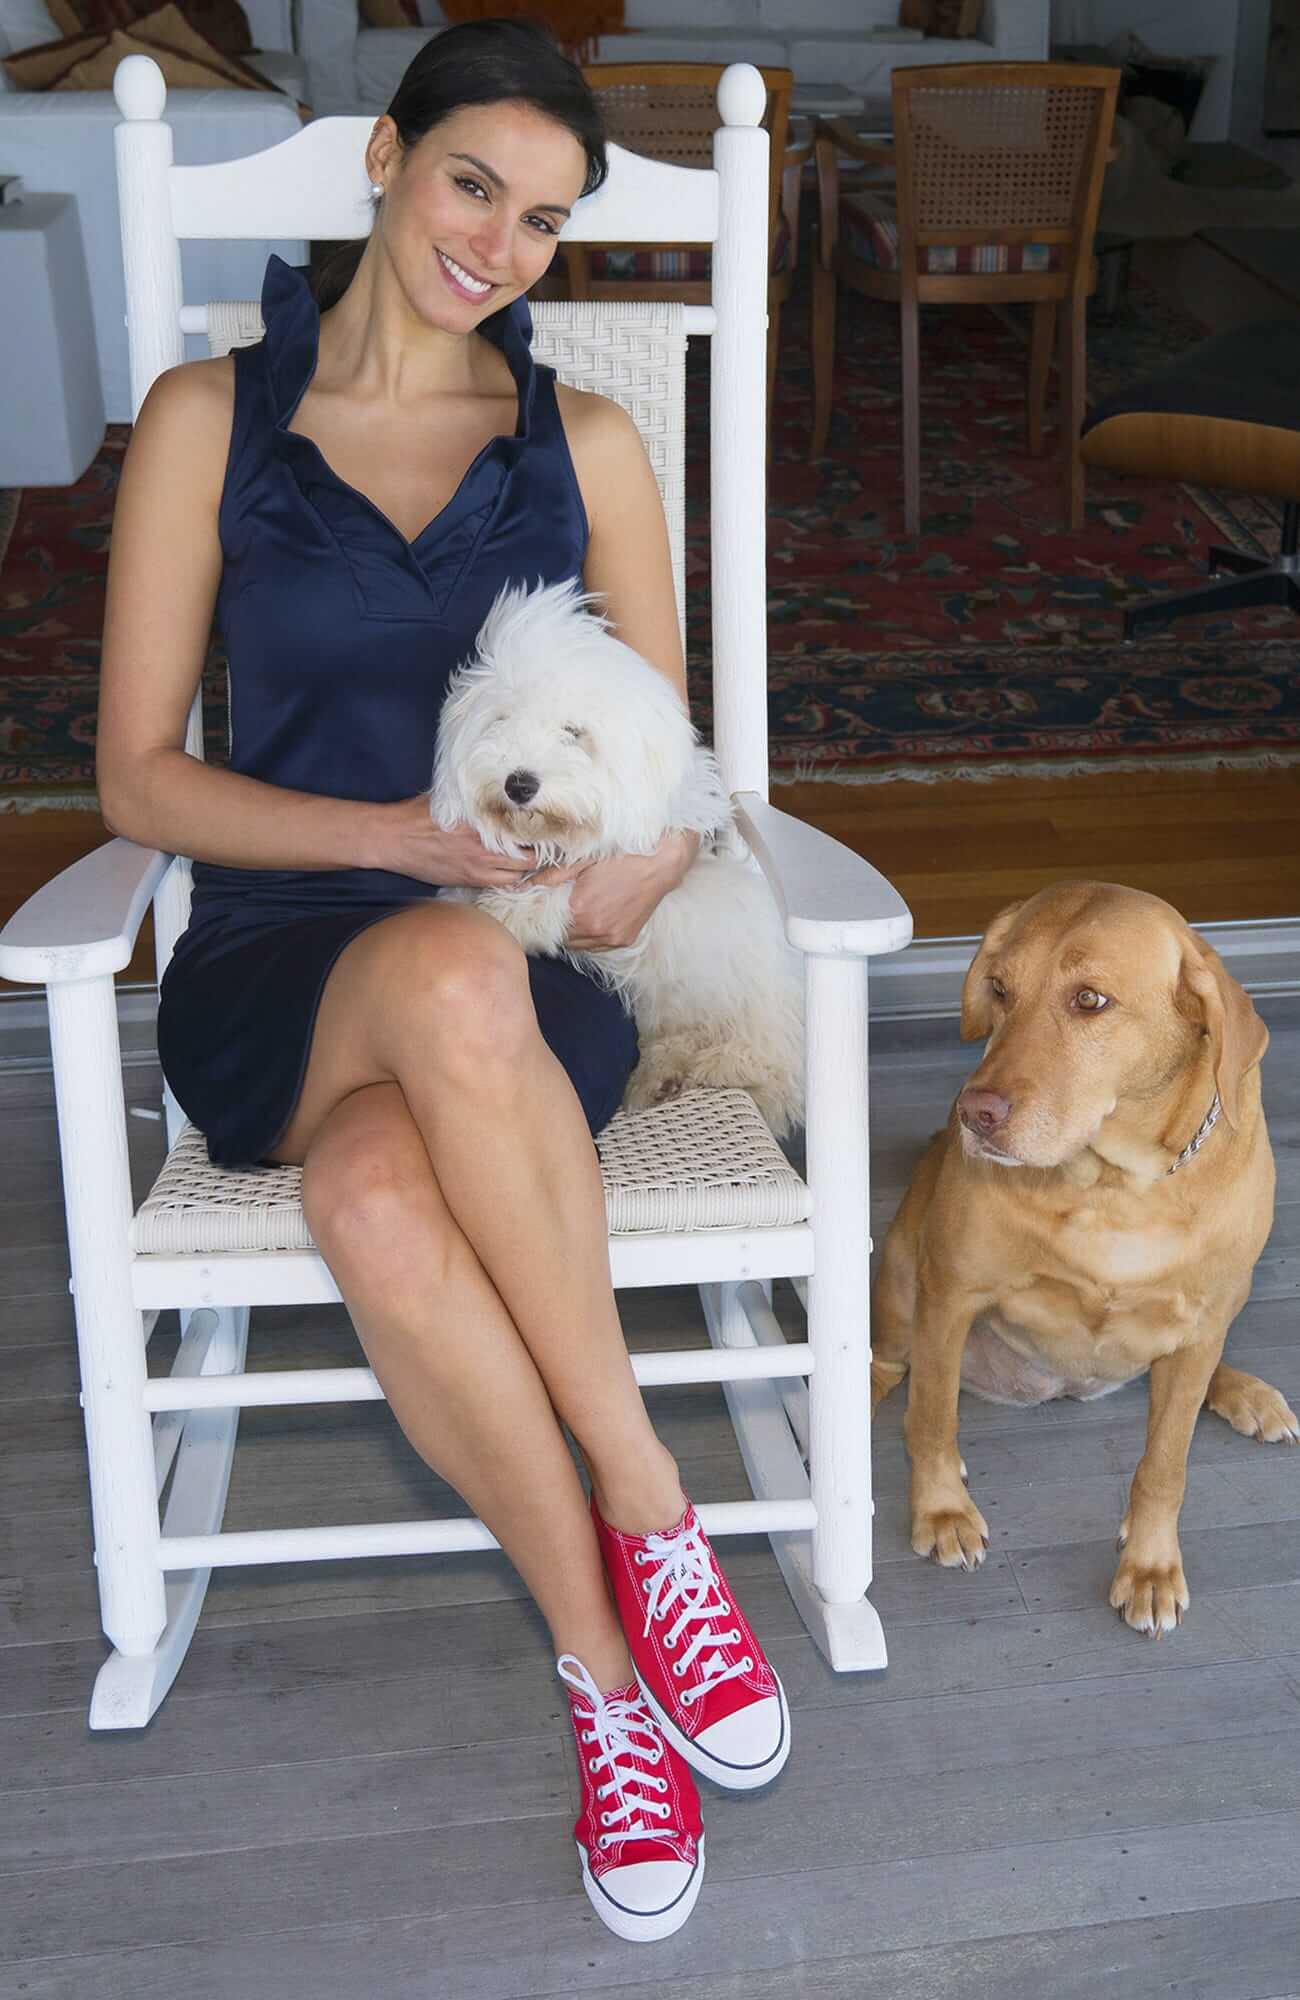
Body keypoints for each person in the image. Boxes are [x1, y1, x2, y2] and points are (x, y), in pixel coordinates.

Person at [95, 19, 788, 1944]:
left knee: (381, 1197)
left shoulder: (588, 445)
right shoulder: (207, 418)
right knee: (434, 987)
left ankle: (603, 1677)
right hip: (277, 967)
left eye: (544, 220)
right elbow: (136, 778)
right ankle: (654, 1513)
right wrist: (399, 841)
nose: (500, 243)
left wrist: (643, 864)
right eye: (474, 184)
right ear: (385, 160)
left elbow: (674, 768)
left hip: (524, 971)